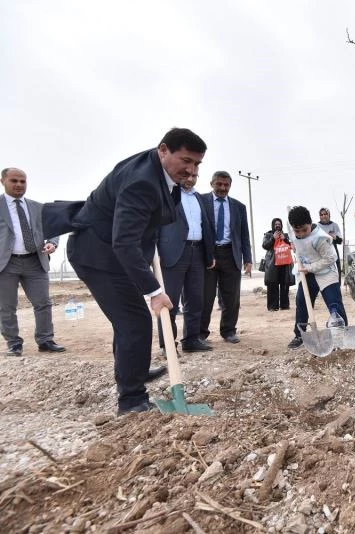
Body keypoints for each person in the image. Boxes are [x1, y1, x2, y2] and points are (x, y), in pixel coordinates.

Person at [55, 128, 206, 415]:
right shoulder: (142, 182)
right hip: (98, 255)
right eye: (186, 160)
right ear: (163, 150)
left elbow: (144, 224)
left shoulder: (161, 170)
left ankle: (132, 368)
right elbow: (123, 242)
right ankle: (131, 399)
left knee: (128, 320)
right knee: (134, 320)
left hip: (118, 251)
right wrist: (155, 291)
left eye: (197, 164)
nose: (191, 169)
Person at [1, 168, 66, 357]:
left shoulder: (38, 207)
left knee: (43, 303)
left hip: (35, 261)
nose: (19, 185)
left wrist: (52, 243)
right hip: (6, 264)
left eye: (23, 181)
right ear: (2, 181)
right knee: (6, 307)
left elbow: (53, 228)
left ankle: (45, 340)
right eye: (14, 180)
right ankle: (14, 344)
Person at [156, 171, 215, 354]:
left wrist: (209, 254)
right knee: (169, 301)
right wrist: (155, 252)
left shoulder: (200, 198)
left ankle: (191, 340)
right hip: (171, 254)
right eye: (186, 176)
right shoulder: (165, 194)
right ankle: (168, 345)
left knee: (195, 300)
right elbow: (155, 223)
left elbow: (207, 226)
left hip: (197, 252)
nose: (190, 179)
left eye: (195, 176)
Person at [200, 171, 252, 344]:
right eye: (219, 184)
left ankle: (229, 331)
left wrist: (248, 259)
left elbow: (244, 235)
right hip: (208, 254)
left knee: (231, 297)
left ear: (230, 185)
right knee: (205, 296)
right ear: (212, 183)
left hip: (231, 255)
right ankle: (201, 333)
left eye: (226, 185)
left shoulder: (239, 207)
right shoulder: (201, 201)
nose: (222, 188)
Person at [286, 206, 348, 349]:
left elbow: (331, 258)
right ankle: (299, 335)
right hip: (307, 273)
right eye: (297, 231)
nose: (301, 234)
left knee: (334, 304)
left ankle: (341, 333)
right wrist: (295, 246)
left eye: (304, 230)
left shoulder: (320, 238)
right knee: (302, 302)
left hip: (326, 273)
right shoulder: (293, 234)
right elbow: (296, 240)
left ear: (310, 223)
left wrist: (310, 268)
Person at [262, 217, 294, 311]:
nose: (277, 226)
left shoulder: (286, 235)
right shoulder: (268, 235)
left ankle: (284, 305)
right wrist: (273, 238)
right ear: (273, 225)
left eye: (279, 224)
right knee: (272, 285)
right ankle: (272, 306)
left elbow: (292, 246)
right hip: (273, 264)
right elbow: (265, 246)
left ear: (281, 225)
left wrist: (285, 240)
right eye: (276, 224)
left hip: (284, 264)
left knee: (284, 285)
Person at [317, 208, 343, 282]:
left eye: (325, 214)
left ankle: (338, 286)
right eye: (321, 214)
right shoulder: (317, 226)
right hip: (321, 252)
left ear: (329, 215)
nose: (323, 216)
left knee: (336, 272)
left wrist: (334, 237)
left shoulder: (334, 225)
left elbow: (340, 241)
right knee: (323, 273)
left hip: (333, 251)